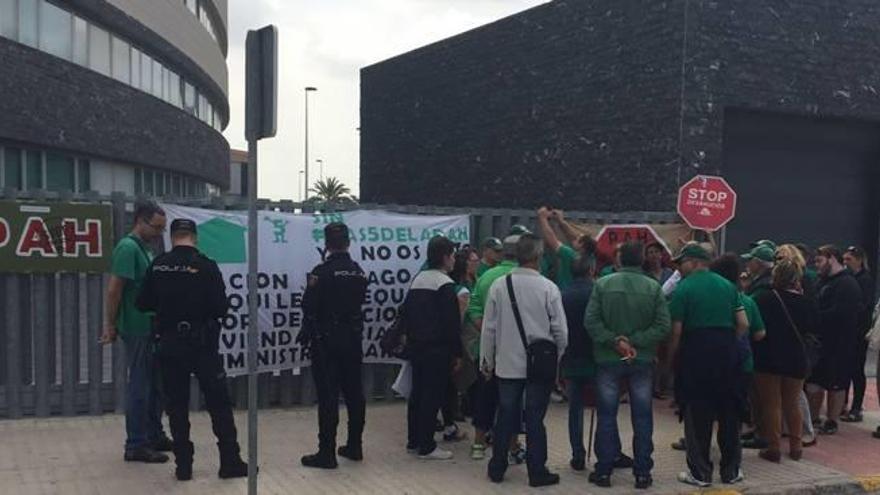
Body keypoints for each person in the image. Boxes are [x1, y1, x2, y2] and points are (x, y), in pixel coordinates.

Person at [135, 218, 248, 481]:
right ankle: (229, 461)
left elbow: (143, 303)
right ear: (194, 237)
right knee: (219, 404)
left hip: (170, 344)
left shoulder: (159, 265)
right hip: (203, 345)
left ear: (172, 237)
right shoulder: (206, 266)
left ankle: (183, 467)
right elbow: (221, 308)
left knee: (177, 405)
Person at [481, 234, 568, 487]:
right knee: (535, 419)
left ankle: (497, 467)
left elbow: (489, 328)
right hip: (539, 366)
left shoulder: (499, 285)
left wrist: (487, 361)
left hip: (507, 364)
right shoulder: (548, 288)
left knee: (505, 415)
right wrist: (557, 358)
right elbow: (561, 331)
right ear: (539, 256)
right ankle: (537, 472)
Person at [585, 242, 671, 490]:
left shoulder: (603, 284)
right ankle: (642, 472)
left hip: (608, 358)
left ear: (620, 260)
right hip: (641, 359)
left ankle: (603, 471)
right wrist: (635, 342)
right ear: (642, 259)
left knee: (607, 414)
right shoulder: (653, 288)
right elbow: (663, 326)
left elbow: (591, 321)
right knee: (642, 417)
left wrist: (616, 342)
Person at [668, 244, 749, 488]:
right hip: (727, 353)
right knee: (730, 412)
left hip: (696, 354)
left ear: (693, 262)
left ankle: (701, 473)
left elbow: (677, 331)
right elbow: (743, 323)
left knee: (697, 415)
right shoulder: (728, 286)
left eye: (681, 264)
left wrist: (673, 358)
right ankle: (731, 471)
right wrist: (728, 342)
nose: (679, 269)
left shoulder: (684, 289)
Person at [100, 200, 172, 464]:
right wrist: (110, 325)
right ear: (140, 221)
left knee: (154, 385)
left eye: (162, 229)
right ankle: (136, 444)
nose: (159, 234)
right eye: (156, 227)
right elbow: (114, 289)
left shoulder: (145, 249)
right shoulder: (128, 248)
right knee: (140, 386)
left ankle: (154, 434)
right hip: (137, 327)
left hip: (150, 327)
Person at [295, 223, 369, 469]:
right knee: (354, 393)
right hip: (352, 337)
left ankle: (326, 452)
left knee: (328, 395)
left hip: (327, 340)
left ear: (327, 244)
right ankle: (355, 445)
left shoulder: (322, 272)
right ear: (348, 243)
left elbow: (308, 306)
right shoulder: (358, 272)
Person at [752, 258, 819, 463]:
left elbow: (756, 326)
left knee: (771, 404)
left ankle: (773, 447)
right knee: (793, 402)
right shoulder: (806, 301)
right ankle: (796, 446)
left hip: (768, 358)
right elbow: (813, 327)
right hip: (796, 358)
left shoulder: (763, 298)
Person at [403, 236, 464, 460]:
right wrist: (457, 353)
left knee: (417, 394)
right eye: (453, 256)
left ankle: (414, 441)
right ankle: (427, 446)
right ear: (445, 257)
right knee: (432, 396)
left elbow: (406, 314)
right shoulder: (445, 285)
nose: (455, 260)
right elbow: (451, 323)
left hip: (416, 347)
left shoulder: (418, 280)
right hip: (437, 350)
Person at [465, 235, 524, 462]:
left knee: (485, 398)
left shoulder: (487, 276)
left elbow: (474, 309)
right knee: (512, 401)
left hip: (488, 349)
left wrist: (487, 331)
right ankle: (512, 446)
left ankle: (478, 445)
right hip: (516, 353)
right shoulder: (530, 279)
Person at [710, 255, 767, 451]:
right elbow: (760, 333)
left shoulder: (710, 298)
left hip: (713, 362)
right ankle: (731, 450)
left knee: (707, 406)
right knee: (733, 410)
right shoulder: (748, 301)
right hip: (742, 364)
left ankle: (701, 444)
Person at [806, 245, 864, 435]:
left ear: (831, 259)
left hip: (839, 343)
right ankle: (813, 418)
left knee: (836, 383)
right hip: (819, 342)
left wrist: (816, 316)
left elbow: (843, 314)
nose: (817, 265)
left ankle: (832, 420)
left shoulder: (847, 284)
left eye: (820, 261)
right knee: (814, 382)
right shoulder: (821, 281)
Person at [560, 254, 596, 472]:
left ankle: (577, 454)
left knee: (575, 410)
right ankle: (606, 452)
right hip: (596, 358)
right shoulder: (597, 293)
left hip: (571, 359)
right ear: (591, 270)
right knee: (603, 409)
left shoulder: (563, 295)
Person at [841, 245, 875, 423]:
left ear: (859, 260)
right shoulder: (847, 278)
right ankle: (843, 403)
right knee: (845, 368)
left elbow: (865, 305)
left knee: (856, 370)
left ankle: (856, 406)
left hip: (859, 332)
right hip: (848, 330)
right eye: (845, 259)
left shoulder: (865, 280)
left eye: (849, 259)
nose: (846, 263)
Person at [536, 207, 595, 289]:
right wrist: (561, 221)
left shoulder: (570, 254)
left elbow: (551, 239)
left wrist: (542, 218)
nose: (574, 238)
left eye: (578, 239)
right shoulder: (591, 257)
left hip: (566, 292)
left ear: (581, 245)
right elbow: (572, 237)